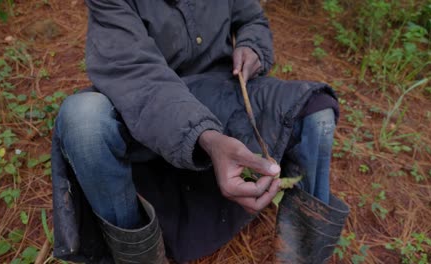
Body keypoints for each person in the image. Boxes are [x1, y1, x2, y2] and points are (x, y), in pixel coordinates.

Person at [51, 0, 348, 263]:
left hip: (221, 93)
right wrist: (207, 138)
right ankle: (136, 254)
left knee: (317, 113)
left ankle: (305, 254)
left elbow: (251, 19)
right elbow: (137, 75)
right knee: (83, 119)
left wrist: (252, 45)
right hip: (145, 102)